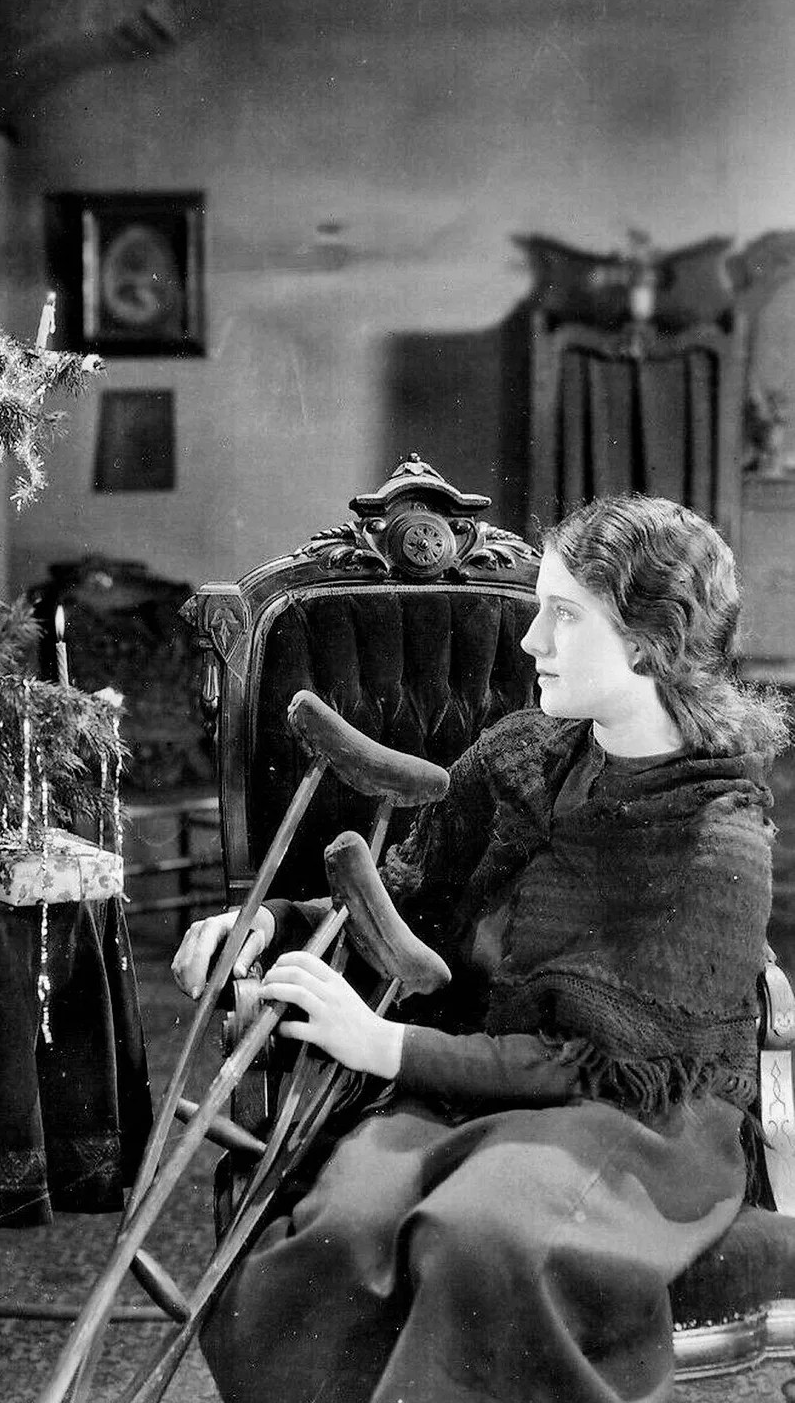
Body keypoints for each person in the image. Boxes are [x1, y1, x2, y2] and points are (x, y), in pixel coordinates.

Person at [171, 494, 787, 1403]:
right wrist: (275, 922)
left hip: (636, 1121)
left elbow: (602, 1066)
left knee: (479, 1237)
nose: (531, 641)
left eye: (563, 615)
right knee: (343, 1231)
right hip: (473, 1080)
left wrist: (385, 1046)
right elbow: (404, 898)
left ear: (648, 642)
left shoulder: (719, 840)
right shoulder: (522, 754)